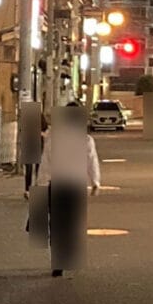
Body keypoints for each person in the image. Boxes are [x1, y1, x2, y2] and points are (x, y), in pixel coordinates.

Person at [36, 102, 101, 277]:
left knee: (56, 223)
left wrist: (41, 184)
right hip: (76, 187)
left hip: (56, 186)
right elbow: (92, 162)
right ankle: (68, 253)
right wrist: (95, 182)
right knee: (72, 222)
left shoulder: (54, 138)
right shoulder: (85, 139)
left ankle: (58, 258)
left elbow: (45, 164)